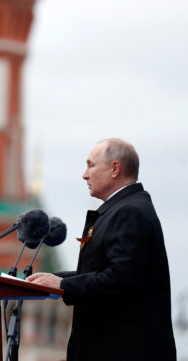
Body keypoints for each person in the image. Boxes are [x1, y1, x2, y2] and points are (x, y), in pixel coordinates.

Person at [27, 138, 176, 361]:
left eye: (91, 165)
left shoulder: (129, 212)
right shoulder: (121, 209)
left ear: (115, 168)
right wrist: (52, 279)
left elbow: (119, 280)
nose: (84, 174)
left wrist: (63, 285)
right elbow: (101, 272)